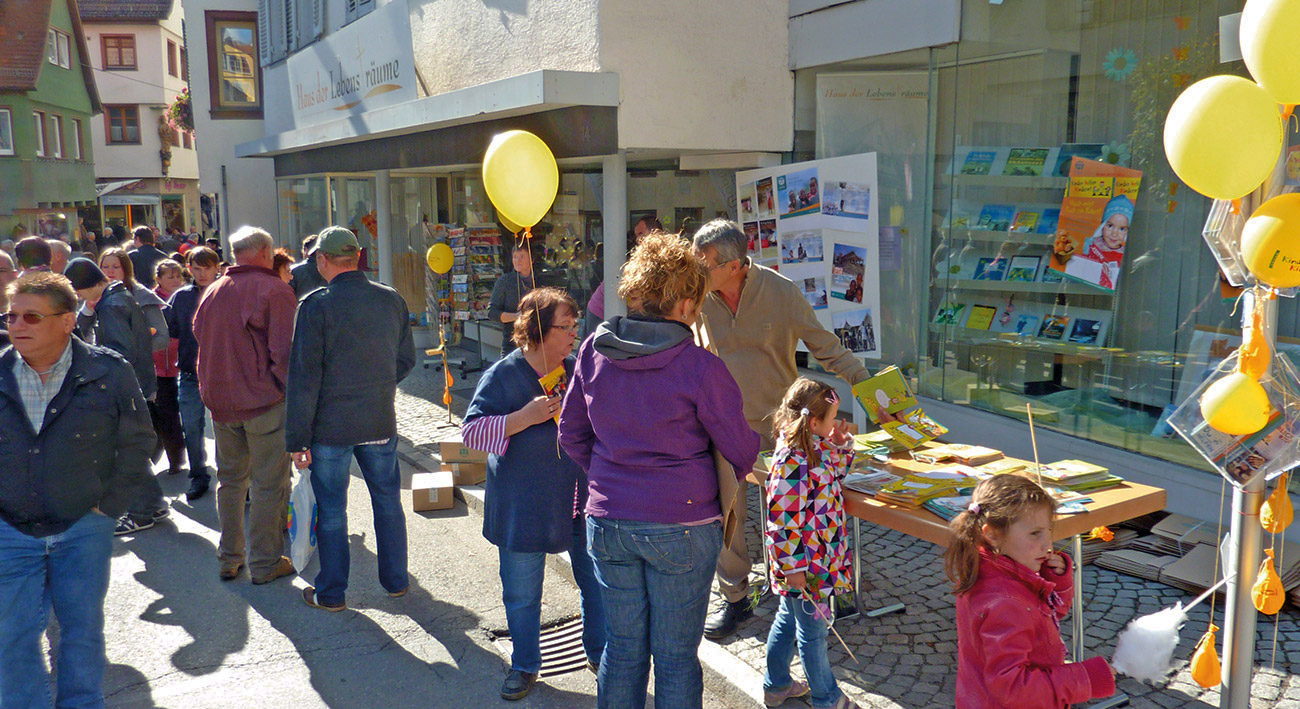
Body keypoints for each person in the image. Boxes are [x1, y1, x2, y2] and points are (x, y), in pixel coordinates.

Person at [559, 232, 759, 709]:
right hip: (682, 524)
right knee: (674, 657)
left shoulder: (591, 350)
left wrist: (610, 477)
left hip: (608, 521)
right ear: (687, 302)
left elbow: (570, 435)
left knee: (624, 650)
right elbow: (741, 451)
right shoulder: (700, 367)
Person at [692, 219, 872, 640]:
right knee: (726, 512)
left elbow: (825, 347)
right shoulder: (697, 297)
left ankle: (829, 585)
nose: (699, 271)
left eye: (707, 263)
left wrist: (873, 388)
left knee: (815, 502)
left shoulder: (782, 293)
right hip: (724, 422)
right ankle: (736, 597)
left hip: (783, 424)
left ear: (735, 264)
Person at [0, 272, 153, 708]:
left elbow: (138, 439)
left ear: (67, 321)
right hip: (10, 531)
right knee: (13, 636)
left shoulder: (109, 370)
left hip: (84, 527)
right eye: (12, 316)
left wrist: (110, 506)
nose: (18, 326)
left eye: (31, 316)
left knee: (82, 631)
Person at [463, 287, 605, 701]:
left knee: (595, 583)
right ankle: (524, 665)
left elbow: (600, 423)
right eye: (567, 326)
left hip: (579, 500)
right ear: (540, 330)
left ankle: (598, 654)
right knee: (523, 593)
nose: (575, 333)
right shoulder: (504, 375)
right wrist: (521, 419)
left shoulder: (577, 366)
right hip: (523, 506)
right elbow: (471, 433)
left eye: (576, 324)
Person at [286, 227, 416, 611]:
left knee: (332, 511)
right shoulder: (390, 299)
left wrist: (297, 439)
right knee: (388, 502)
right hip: (377, 420)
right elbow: (406, 359)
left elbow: (304, 378)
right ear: (358, 257)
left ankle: (332, 594)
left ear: (323, 261)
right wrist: (377, 384)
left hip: (331, 427)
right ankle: (396, 583)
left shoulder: (315, 305)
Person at [946, 475, 1116, 707]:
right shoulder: (1006, 602)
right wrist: (1084, 678)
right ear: (993, 534)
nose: (1048, 545)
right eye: (1035, 533)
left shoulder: (988, 568)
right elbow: (1013, 688)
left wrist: (1053, 581)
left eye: (1048, 530)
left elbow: (1047, 619)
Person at [193, 226, 298, 584]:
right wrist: (289, 393)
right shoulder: (275, 290)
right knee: (269, 484)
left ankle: (230, 557)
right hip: (262, 401)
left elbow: (198, 334)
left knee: (231, 482)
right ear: (267, 253)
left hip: (221, 401)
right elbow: (283, 353)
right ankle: (266, 562)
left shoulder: (215, 289)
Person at [763, 378, 859, 709]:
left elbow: (835, 474)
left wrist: (841, 445)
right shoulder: (792, 460)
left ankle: (776, 685)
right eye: (832, 419)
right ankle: (827, 697)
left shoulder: (814, 447)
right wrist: (794, 569)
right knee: (813, 635)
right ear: (814, 421)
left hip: (813, 562)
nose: (836, 423)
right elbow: (782, 522)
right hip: (806, 569)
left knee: (787, 621)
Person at [64, 258, 168, 535]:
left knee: (122, 454)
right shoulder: (120, 296)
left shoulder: (111, 306)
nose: (79, 298)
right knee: (131, 451)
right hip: (138, 384)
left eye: (79, 292)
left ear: (86, 286)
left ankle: (141, 512)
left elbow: (118, 353)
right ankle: (153, 505)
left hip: (122, 390)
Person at [166, 247, 220, 500]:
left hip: (223, 373)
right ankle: (198, 475)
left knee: (227, 429)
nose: (201, 273)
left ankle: (234, 478)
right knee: (192, 427)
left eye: (206, 267)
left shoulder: (226, 292)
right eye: (196, 268)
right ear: (189, 269)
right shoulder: (181, 297)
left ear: (216, 267)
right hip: (189, 372)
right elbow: (172, 330)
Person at [151, 260, 187, 477]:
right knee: (166, 414)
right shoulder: (150, 301)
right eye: (170, 276)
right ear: (159, 279)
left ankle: (178, 456)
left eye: (178, 276)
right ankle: (173, 458)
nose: (175, 280)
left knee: (180, 415)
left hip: (181, 365)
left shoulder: (185, 298)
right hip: (158, 367)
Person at [487, 242, 538, 356]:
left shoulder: (539, 280)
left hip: (538, 342)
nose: (517, 260)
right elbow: (492, 313)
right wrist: (517, 317)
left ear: (532, 259)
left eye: (522, 256)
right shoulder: (505, 281)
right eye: (515, 256)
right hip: (512, 343)